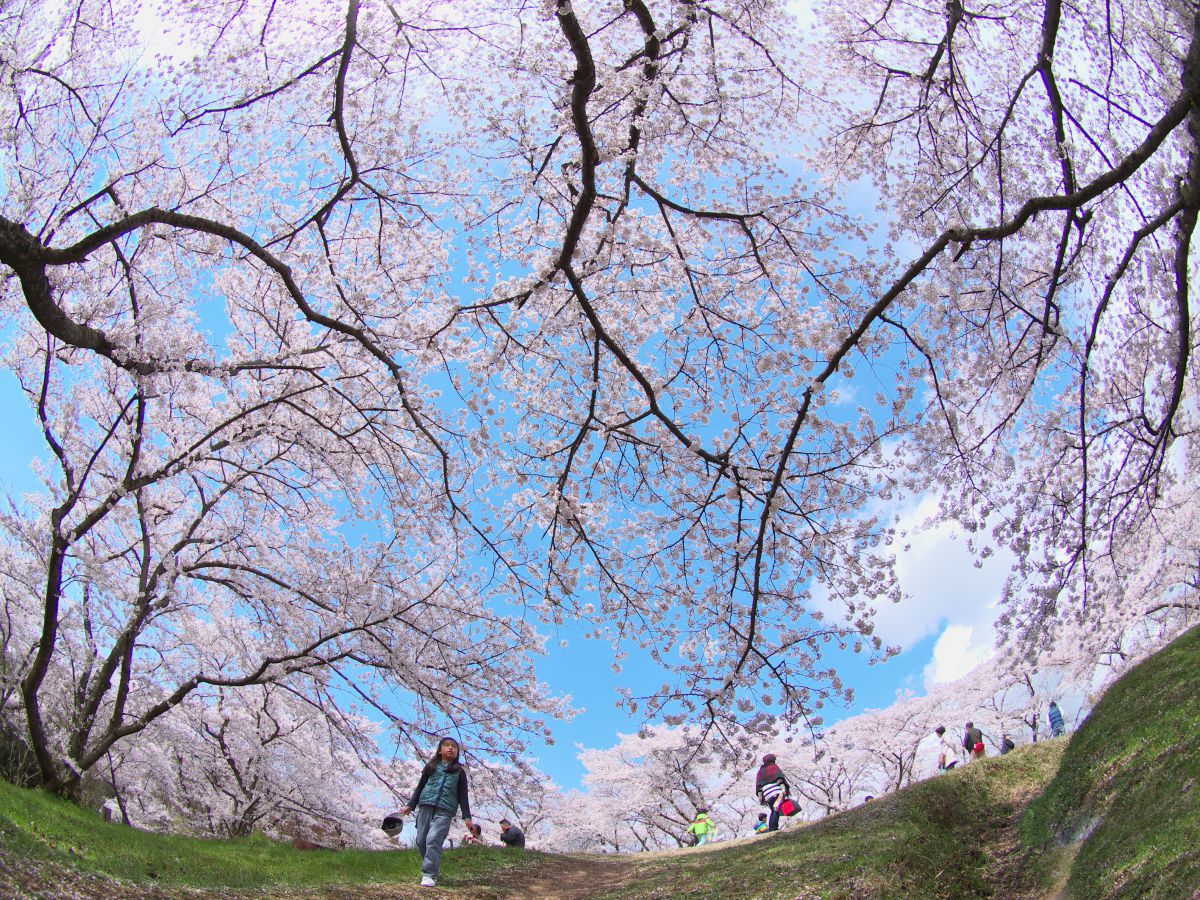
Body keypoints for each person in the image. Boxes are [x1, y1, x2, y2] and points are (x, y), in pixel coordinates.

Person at [399, 737, 473, 888]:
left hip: (446, 810)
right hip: (425, 805)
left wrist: (467, 817)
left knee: (433, 839)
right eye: (446, 745)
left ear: (457, 752)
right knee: (421, 840)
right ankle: (433, 864)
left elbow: (463, 796)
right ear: (440, 750)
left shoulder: (459, 772)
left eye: (454, 746)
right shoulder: (431, 767)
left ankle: (429, 874)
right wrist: (410, 805)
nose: (450, 748)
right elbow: (420, 787)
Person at [755, 752, 792, 832]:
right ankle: (773, 828)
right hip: (776, 792)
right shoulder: (774, 767)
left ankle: (773, 827)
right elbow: (780, 779)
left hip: (767, 795)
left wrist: (761, 798)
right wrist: (784, 790)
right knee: (776, 809)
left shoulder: (760, 771)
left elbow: (759, 786)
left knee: (774, 809)